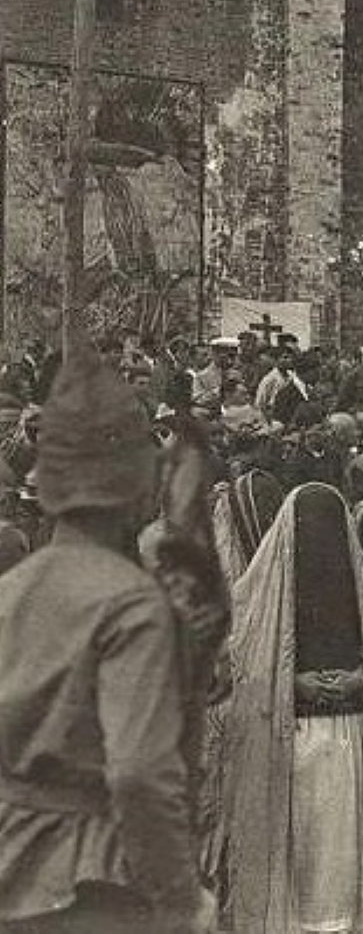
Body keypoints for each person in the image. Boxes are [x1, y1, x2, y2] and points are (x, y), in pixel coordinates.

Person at [0, 338, 215, 934]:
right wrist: (181, 898)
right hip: (92, 881)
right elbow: (139, 773)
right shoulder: (132, 604)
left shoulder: (12, 588)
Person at [223, 483, 363, 934]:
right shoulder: (261, 589)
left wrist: (361, 677)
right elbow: (246, 657)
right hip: (289, 732)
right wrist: (293, 682)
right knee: (300, 835)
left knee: (341, 840)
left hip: (350, 729)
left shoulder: (361, 585)